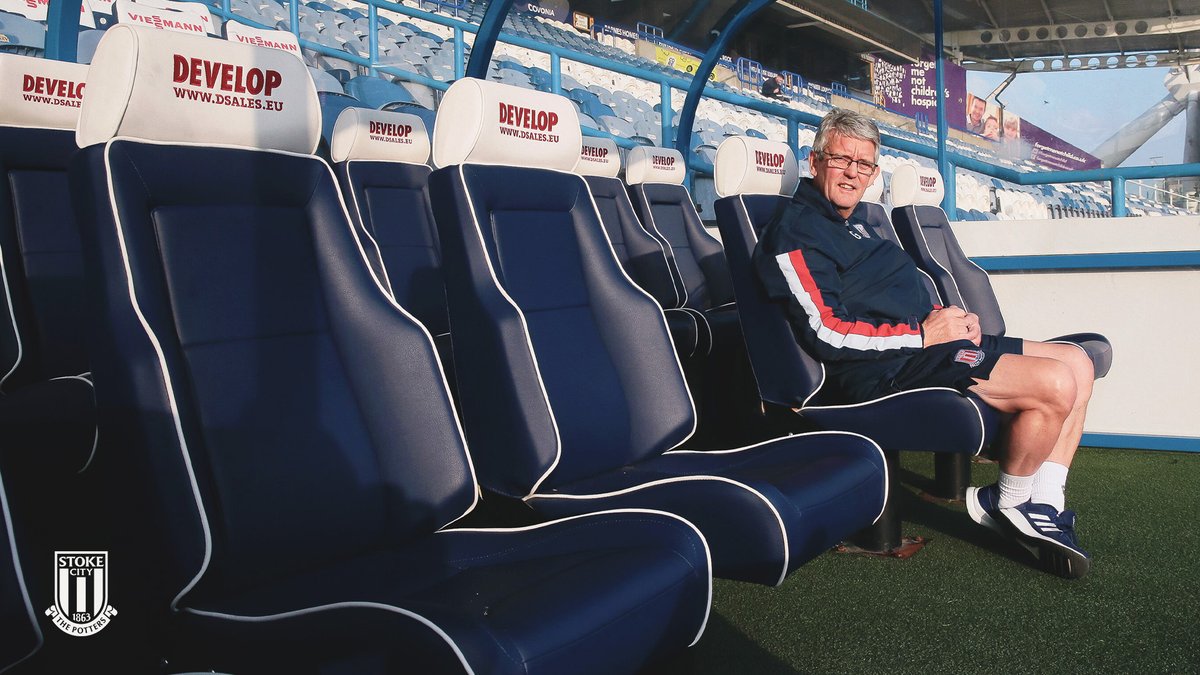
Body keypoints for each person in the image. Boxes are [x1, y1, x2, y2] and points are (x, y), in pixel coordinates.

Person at [753, 108, 1096, 579]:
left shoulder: (856, 222)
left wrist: (944, 318)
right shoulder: (796, 232)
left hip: (923, 344)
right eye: (841, 159)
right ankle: (1010, 501)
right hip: (881, 368)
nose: (853, 172)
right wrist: (923, 334)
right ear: (815, 161)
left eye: (865, 164)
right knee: (1055, 382)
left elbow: (891, 293)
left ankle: (1047, 502)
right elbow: (826, 330)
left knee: (1077, 362)